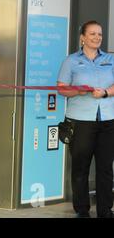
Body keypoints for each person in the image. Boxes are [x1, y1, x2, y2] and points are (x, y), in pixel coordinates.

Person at [57, 20, 114, 218]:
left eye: (99, 34)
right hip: (80, 121)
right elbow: (61, 88)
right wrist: (77, 91)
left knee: (105, 168)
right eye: (92, 34)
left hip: (107, 121)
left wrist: (106, 92)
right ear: (82, 38)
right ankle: (82, 210)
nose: (97, 37)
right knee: (80, 168)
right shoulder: (71, 61)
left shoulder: (110, 59)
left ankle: (105, 211)